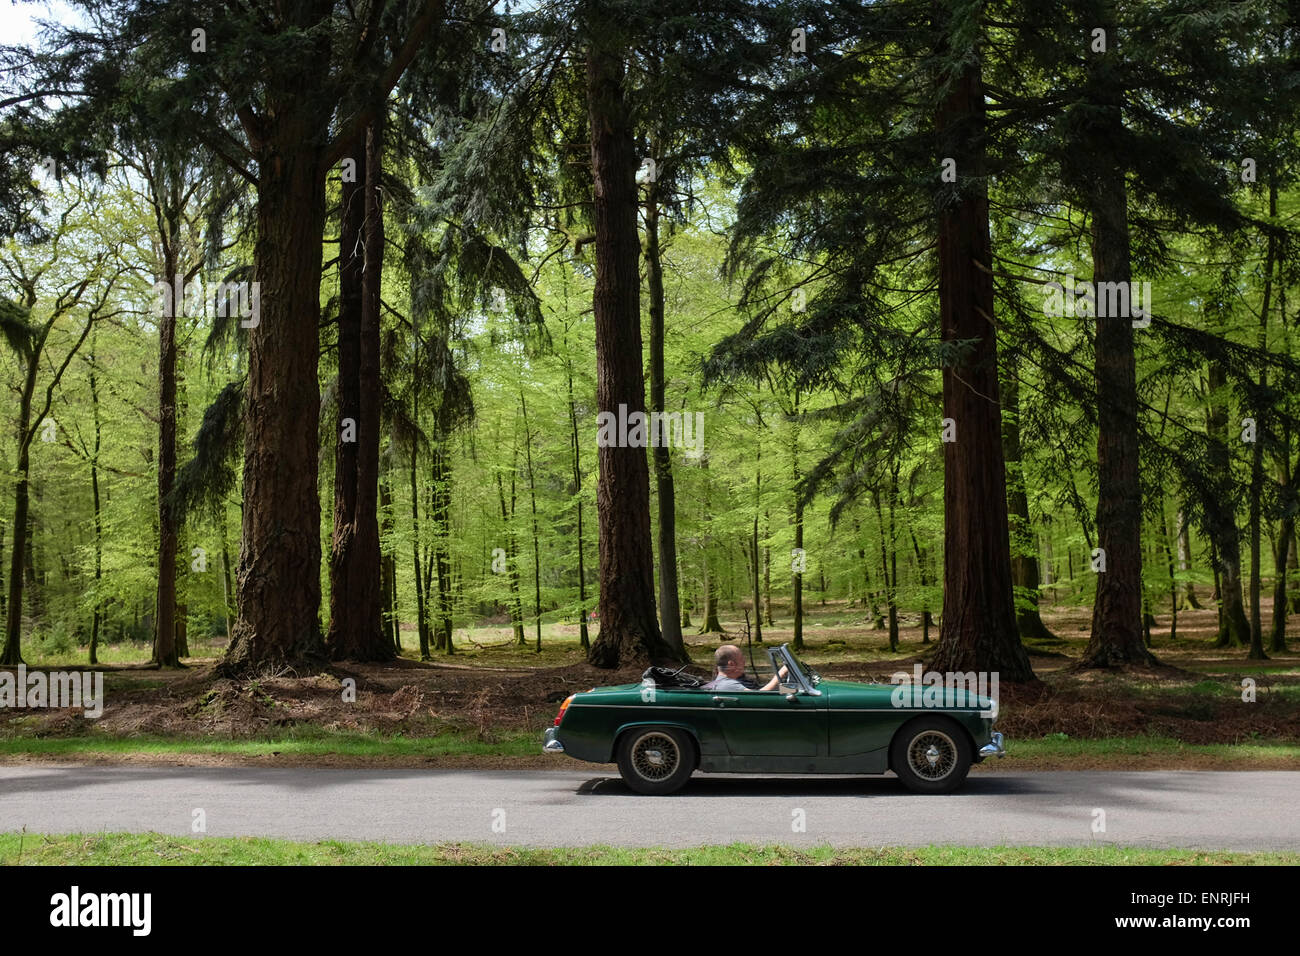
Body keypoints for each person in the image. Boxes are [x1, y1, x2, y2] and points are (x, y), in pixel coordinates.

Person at [702, 645, 786, 692]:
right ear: (731, 664)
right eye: (742, 659)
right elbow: (759, 696)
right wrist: (780, 674)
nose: (744, 662)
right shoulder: (729, 685)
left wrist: (787, 689)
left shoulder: (723, 682)